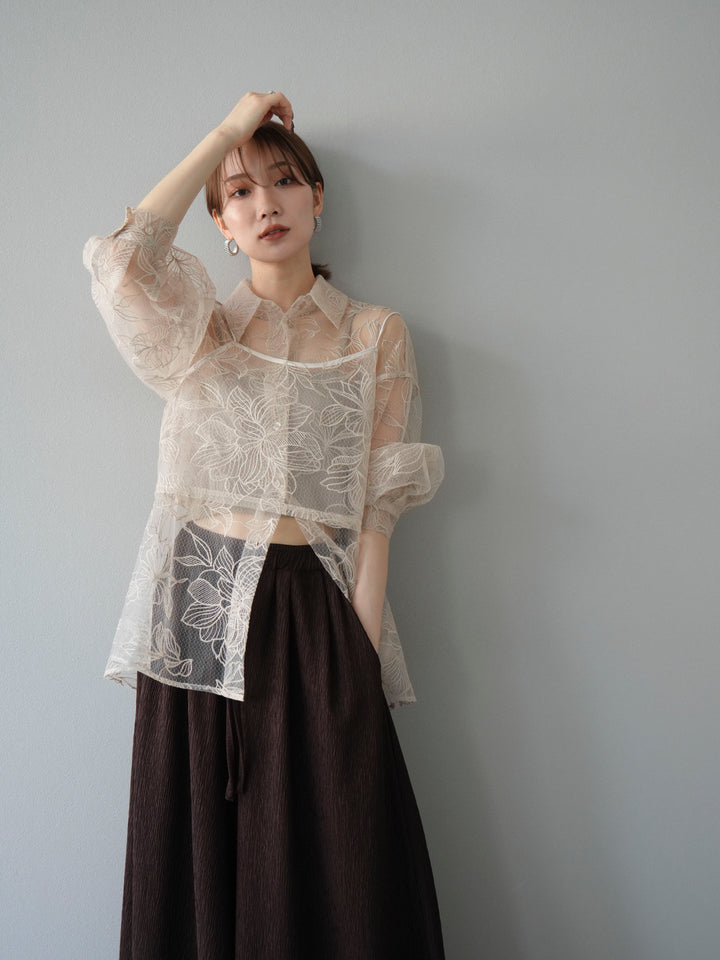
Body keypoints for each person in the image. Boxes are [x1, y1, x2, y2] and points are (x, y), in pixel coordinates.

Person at [84, 91, 445, 960]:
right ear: (220, 224)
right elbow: (122, 263)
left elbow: (376, 512)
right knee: (198, 857)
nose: (265, 204)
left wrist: (358, 658)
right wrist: (226, 130)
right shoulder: (196, 333)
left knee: (342, 852)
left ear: (317, 198)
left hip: (315, 614)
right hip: (199, 612)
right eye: (239, 193)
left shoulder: (375, 334)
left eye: (284, 182)